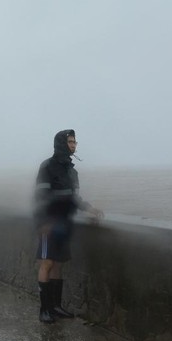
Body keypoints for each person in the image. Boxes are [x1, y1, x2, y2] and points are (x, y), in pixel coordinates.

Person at [34, 129, 104, 323]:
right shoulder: (47, 166)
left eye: (75, 142)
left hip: (65, 223)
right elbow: (40, 196)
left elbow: (74, 198)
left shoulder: (72, 171)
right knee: (46, 263)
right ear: (60, 144)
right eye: (70, 142)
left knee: (59, 264)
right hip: (49, 223)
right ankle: (44, 309)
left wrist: (89, 208)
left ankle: (56, 307)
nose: (73, 145)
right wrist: (42, 221)